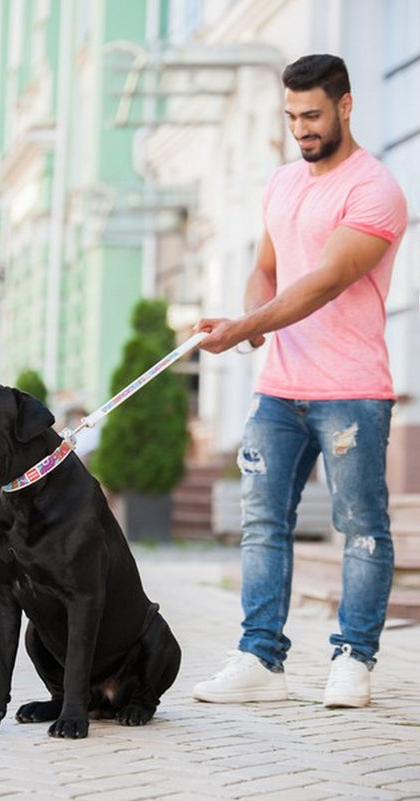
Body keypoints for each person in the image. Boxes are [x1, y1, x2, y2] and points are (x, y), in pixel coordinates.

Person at [192, 54, 408, 708]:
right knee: (260, 520)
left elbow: (324, 280)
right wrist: (252, 319)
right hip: (278, 391)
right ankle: (260, 657)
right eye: (290, 116)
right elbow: (268, 266)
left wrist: (244, 324)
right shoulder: (283, 182)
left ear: (344, 106)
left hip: (350, 391)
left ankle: (352, 659)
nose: (300, 128)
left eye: (311, 114)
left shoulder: (375, 189)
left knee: (360, 523)